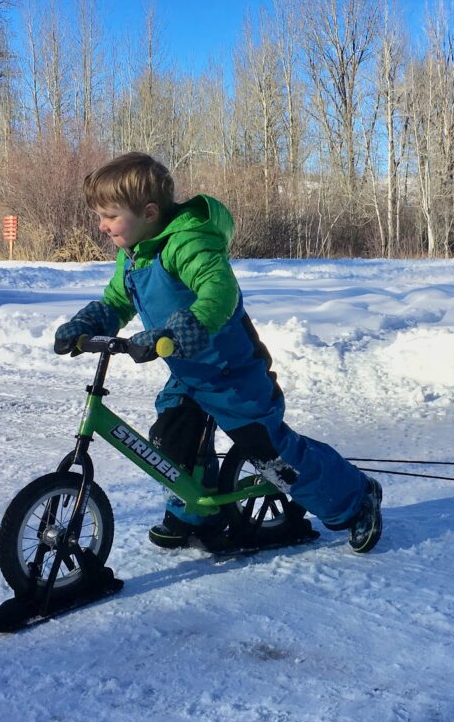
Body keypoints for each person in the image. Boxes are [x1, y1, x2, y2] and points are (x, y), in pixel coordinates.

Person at [53, 152, 382, 553]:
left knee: (272, 454)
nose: (102, 226)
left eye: (110, 216)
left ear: (149, 212)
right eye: (99, 216)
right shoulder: (134, 253)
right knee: (172, 438)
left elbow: (218, 290)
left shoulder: (188, 242)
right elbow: (117, 300)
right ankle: (196, 516)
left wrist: (184, 327)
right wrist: (88, 324)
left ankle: (354, 498)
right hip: (189, 371)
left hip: (232, 371)